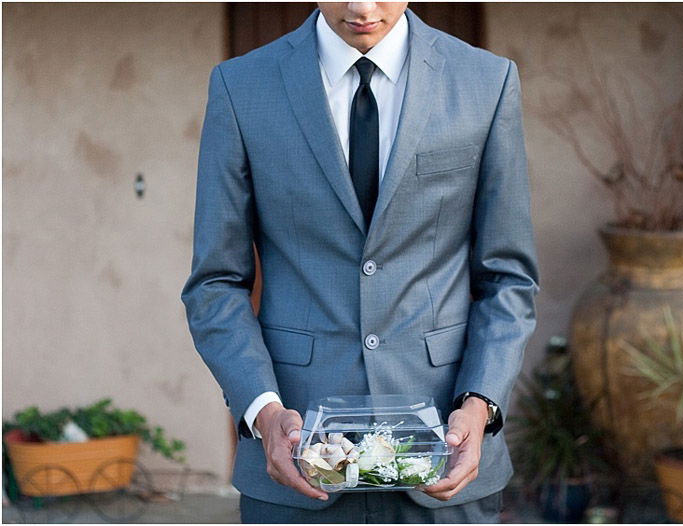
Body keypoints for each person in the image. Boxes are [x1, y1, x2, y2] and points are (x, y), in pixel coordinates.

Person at [181, 2, 539, 523]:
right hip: (298, 464)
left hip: (445, 457)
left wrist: (479, 404)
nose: (362, 7)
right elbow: (216, 282)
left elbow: (508, 276)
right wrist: (264, 411)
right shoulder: (242, 87)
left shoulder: (486, 81)